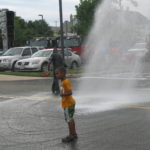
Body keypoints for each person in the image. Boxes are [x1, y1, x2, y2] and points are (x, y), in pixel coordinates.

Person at [55, 67, 78, 143]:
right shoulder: (62, 82)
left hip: (68, 104)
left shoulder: (65, 82)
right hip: (68, 104)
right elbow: (63, 91)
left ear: (62, 73)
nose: (56, 75)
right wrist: (62, 93)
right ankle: (74, 134)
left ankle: (71, 135)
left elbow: (70, 92)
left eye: (57, 73)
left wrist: (63, 94)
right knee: (70, 119)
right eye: (56, 73)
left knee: (69, 120)